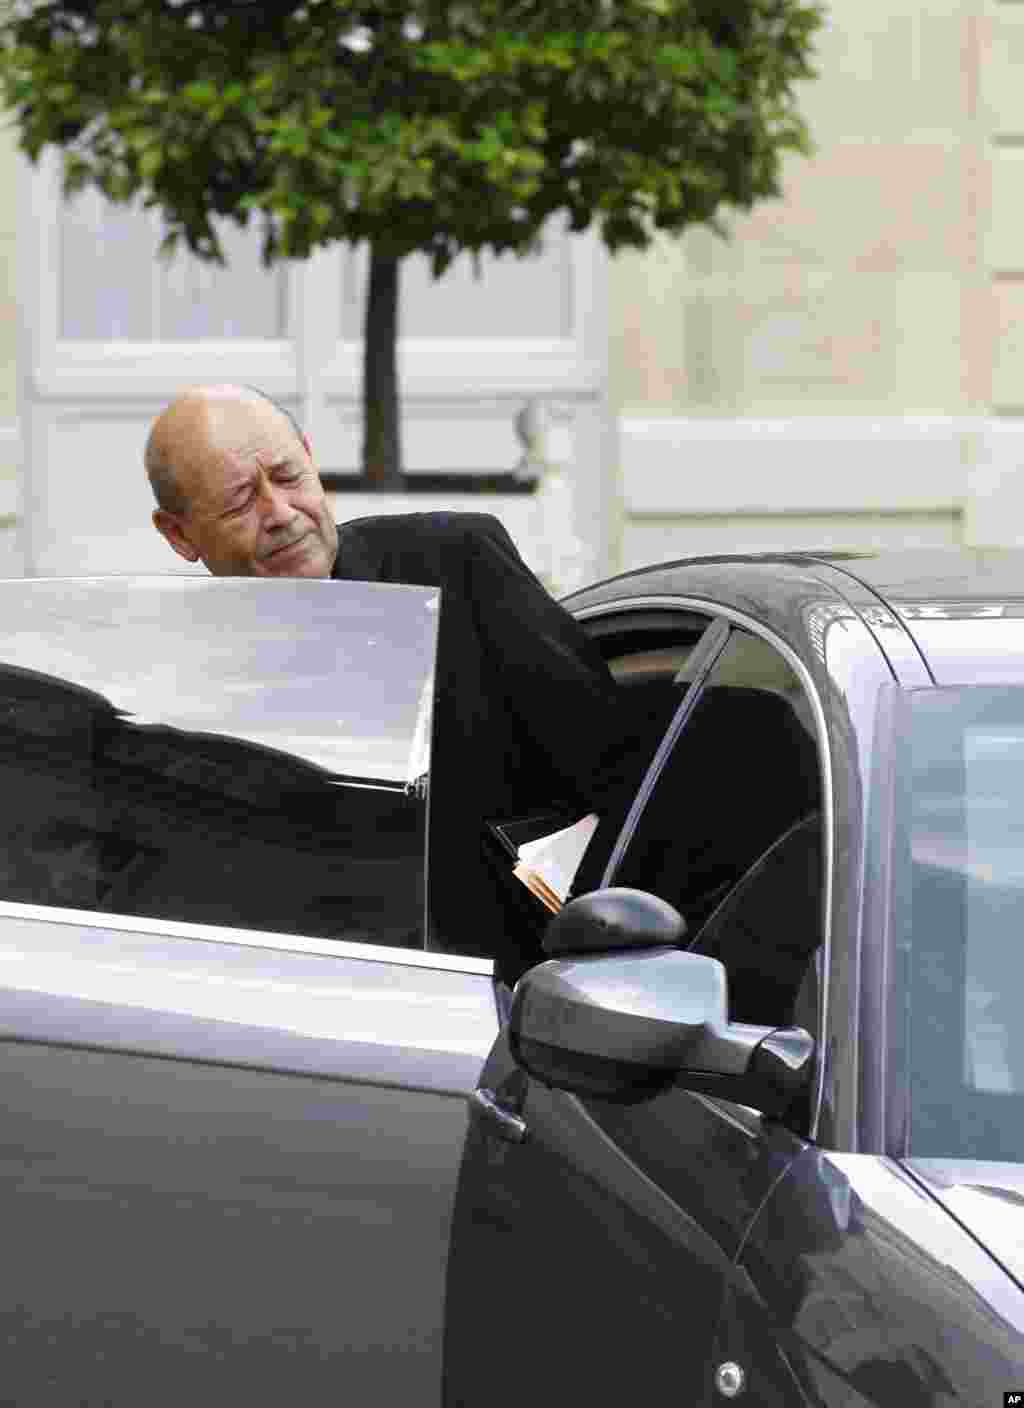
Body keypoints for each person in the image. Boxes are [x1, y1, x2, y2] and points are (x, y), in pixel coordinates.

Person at [145, 384, 657, 978]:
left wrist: (588, 962)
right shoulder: (171, 697)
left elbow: (624, 784)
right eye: (239, 503)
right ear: (179, 534)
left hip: (529, 997)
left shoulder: (454, 565)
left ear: (311, 459)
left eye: (288, 477)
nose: (280, 514)